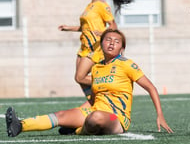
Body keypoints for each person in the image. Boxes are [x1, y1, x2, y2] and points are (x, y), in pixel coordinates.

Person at [6, 29, 173, 137]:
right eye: (108, 39)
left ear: (122, 49)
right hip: (94, 109)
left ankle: (78, 130)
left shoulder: (127, 64)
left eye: (116, 41)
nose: (112, 42)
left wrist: (160, 114)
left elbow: (151, 88)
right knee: (62, 115)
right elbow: (95, 97)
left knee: (96, 118)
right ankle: (20, 125)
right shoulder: (97, 67)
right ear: (102, 44)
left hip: (117, 117)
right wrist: (78, 111)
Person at [58, 0, 139, 101]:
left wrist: (103, 33)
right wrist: (68, 28)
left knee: (80, 77)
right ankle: (94, 103)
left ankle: (111, 83)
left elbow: (113, 26)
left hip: (95, 47)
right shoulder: (90, 6)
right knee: (80, 80)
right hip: (84, 47)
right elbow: (87, 27)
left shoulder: (102, 5)